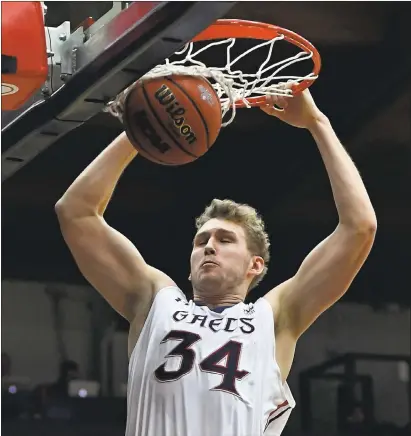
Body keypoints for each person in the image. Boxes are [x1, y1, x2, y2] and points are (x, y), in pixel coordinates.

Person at [55, 85, 377, 436]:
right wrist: (142, 130)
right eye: (201, 241)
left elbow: (359, 227)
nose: (209, 247)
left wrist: (317, 122)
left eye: (225, 240)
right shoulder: (155, 301)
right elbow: (76, 213)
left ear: (255, 265)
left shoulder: (274, 317)